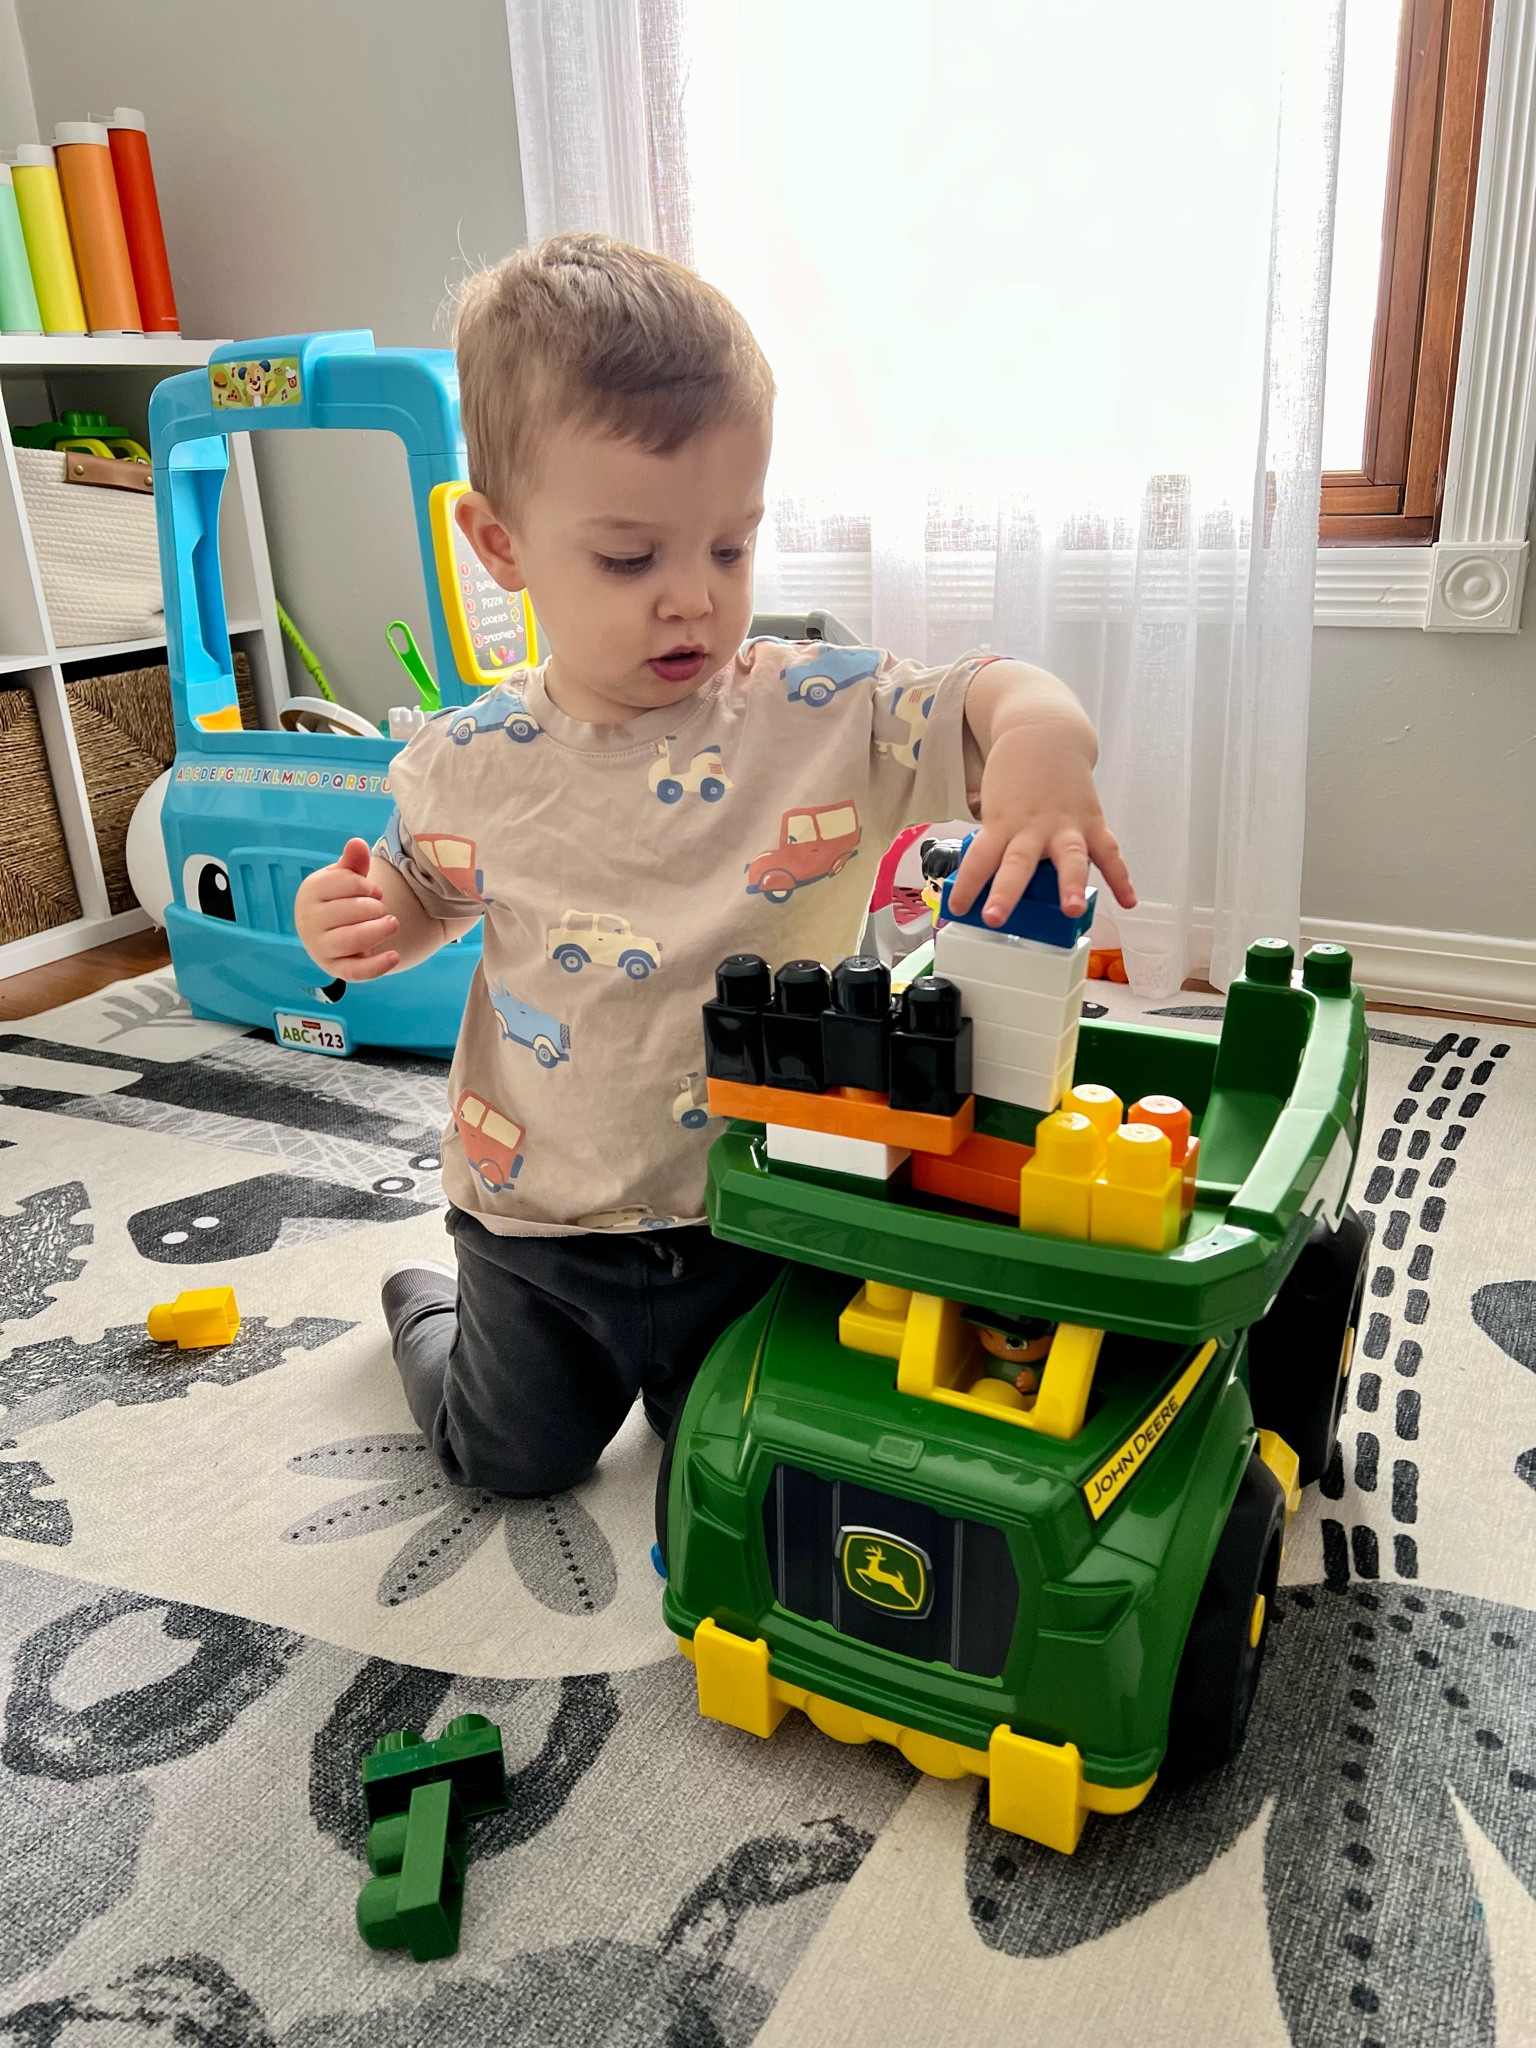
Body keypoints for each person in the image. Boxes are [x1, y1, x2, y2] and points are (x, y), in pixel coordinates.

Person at [293, 232, 1135, 1499]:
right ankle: (431, 1313)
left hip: (768, 1203)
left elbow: (978, 693)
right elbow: (421, 894)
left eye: (730, 548)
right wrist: (364, 917)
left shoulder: (819, 714)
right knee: (505, 1460)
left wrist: (1041, 734)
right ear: (501, 541)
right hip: (539, 1217)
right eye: (631, 558)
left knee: (744, 1476)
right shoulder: (468, 761)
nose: (693, 596)